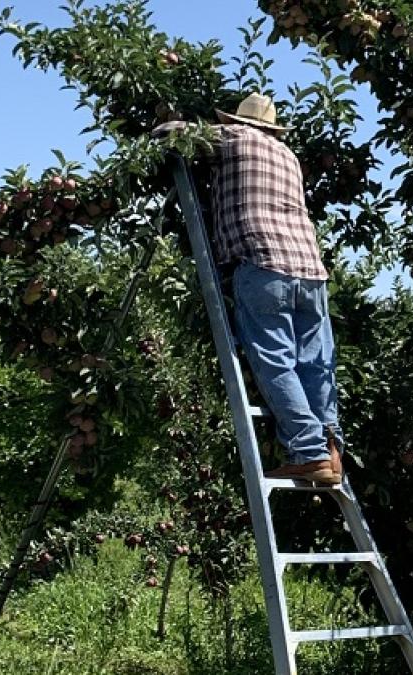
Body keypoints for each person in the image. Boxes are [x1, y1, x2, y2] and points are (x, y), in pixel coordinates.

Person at [154, 93, 343, 485]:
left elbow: (172, 134)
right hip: (311, 270)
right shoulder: (287, 155)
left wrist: (169, 119)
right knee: (316, 365)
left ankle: (309, 453)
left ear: (241, 121)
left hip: (262, 262)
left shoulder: (234, 137)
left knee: (275, 360)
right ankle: (331, 451)